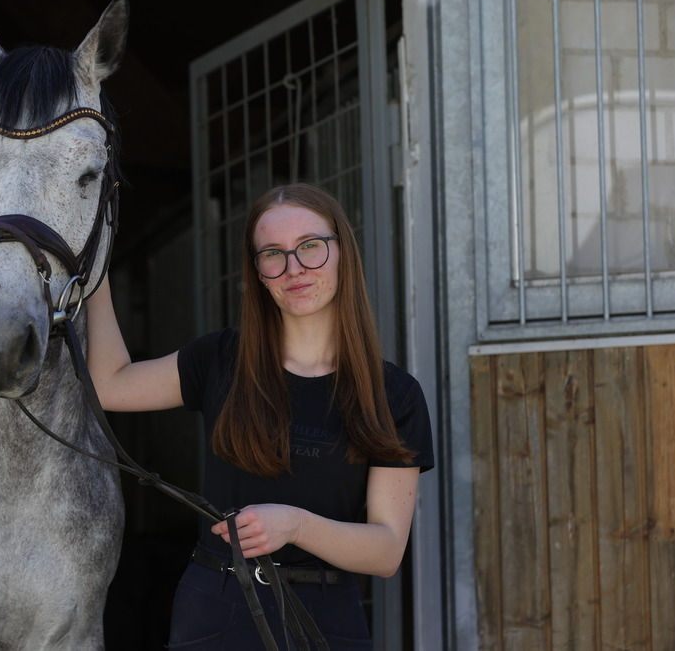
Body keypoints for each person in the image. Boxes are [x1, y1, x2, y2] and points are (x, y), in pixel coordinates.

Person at [87, 183, 435, 649]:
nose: (294, 268)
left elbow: (387, 550)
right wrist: (97, 277)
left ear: (342, 252)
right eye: (273, 254)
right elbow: (110, 386)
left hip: (326, 619)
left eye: (310, 247)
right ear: (258, 273)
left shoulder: (393, 395)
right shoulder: (220, 360)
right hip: (218, 608)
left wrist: (295, 524)